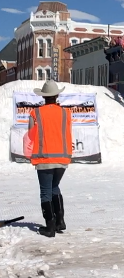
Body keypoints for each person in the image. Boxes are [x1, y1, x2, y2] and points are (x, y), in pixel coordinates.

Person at [29, 80, 73, 237]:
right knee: (55, 187)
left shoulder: (36, 113)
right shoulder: (66, 113)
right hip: (62, 158)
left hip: (44, 158)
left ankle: (50, 226)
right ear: (57, 96)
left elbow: (31, 135)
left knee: (45, 191)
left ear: (44, 97)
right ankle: (60, 221)